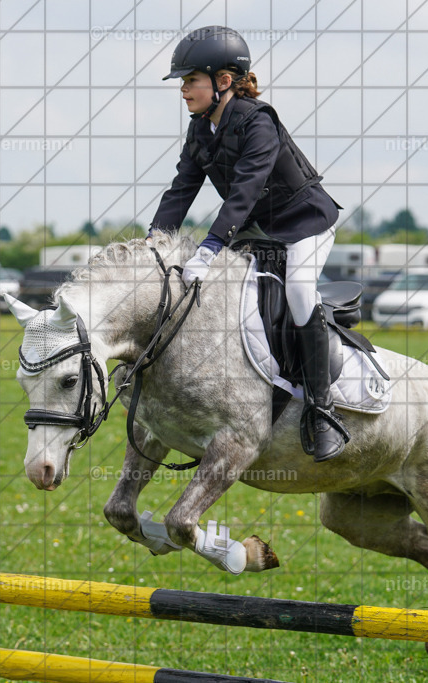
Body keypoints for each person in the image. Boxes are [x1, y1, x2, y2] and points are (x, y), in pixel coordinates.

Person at [149, 25, 349, 462]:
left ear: (223, 81)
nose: (183, 90)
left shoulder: (260, 122)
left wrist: (208, 249)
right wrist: (155, 245)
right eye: (182, 83)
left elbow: (243, 192)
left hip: (306, 224)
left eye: (190, 81)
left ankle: (322, 409)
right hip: (261, 232)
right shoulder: (201, 129)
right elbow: (182, 189)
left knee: (297, 291)